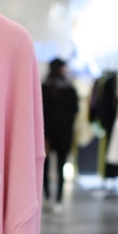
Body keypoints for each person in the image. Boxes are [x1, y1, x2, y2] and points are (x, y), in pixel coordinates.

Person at [42, 58, 79, 212]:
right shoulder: (69, 89)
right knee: (59, 167)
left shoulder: (44, 87)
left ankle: (47, 197)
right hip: (63, 133)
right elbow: (75, 111)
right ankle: (57, 200)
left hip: (47, 134)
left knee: (45, 167)